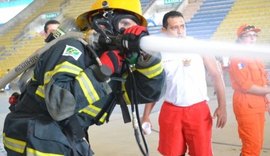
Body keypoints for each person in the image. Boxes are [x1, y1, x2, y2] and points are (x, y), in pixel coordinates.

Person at [3, 0, 165, 155]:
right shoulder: (72, 48)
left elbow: (146, 94)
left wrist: (148, 58)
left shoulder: (112, 61)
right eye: (126, 25)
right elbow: (60, 106)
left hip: (62, 136)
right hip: (37, 138)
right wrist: (102, 72)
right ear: (104, 23)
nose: (131, 33)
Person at [142, 11, 227, 156]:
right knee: (172, 153)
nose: (180, 31)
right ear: (164, 30)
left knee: (201, 153)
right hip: (171, 111)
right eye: (174, 28)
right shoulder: (159, 54)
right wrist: (146, 115)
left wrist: (222, 106)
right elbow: (155, 86)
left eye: (182, 26)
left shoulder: (198, 46)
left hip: (198, 111)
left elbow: (216, 75)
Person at [229, 24, 270, 156]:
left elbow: (263, 81)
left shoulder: (256, 56)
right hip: (246, 106)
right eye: (248, 36)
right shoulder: (237, 58)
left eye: (254, 35)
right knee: (251, 145)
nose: (253, 38)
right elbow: (247, 86)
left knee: (257, 143)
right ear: (240, 38)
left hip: (259, 104)